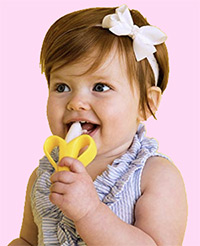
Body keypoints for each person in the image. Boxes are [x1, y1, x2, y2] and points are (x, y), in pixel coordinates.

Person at [9, 4, 187, 246]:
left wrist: (89, 212)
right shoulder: (43, 176)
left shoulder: (155, 176)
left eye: (100, 87)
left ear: (146, 103)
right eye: (62, 87)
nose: (76, 103)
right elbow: (27, 241)